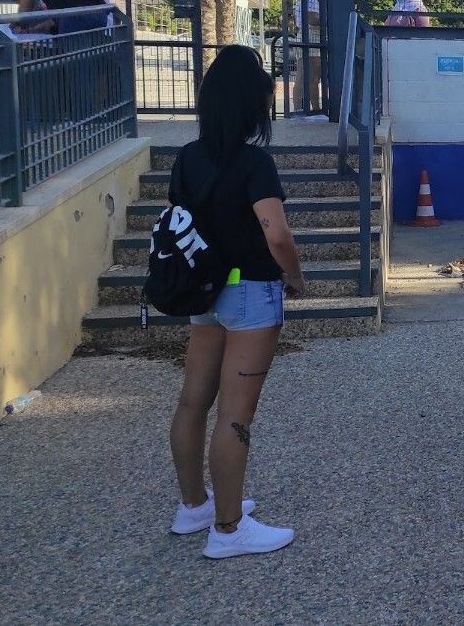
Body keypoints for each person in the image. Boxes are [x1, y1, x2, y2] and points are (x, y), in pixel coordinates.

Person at [167, 45, 306, 557]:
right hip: (250, 292)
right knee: (236, 416)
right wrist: (295, 276)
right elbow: (277, 234)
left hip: (205, 290)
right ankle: (228, 529)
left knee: (193, 400)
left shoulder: (187, 158)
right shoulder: (254, 163)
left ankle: (193, 506)